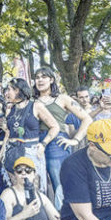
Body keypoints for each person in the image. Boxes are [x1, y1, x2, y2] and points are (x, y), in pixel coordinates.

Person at [33, 69, 92, 208]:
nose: (40, 80)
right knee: (38, 184)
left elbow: (87, 118)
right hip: (35, 142)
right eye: (37, 77)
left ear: (52, 80)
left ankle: (69, 218)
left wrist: (75, 140)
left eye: (44, 77)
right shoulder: (31, 100)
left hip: (57, 144)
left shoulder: (62, 98)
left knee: (60, 184)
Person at [2, 78, 59, 196]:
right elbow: (8, 134)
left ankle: (36, 213)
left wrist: (43, 144)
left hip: (31, 151)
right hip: (12, 152)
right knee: (16, 190)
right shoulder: (10, 108)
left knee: (34, 190)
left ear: (18, 90)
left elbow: (55, 126)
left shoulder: (36, 106)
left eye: (9, 89)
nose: (6, 93)